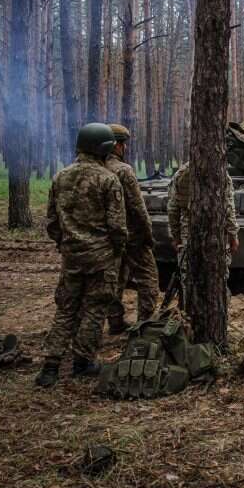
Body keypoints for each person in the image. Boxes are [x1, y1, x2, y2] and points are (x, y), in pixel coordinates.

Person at [36, 123, 127, 388]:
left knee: (66, 310)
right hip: (101, 259)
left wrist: (67, 244)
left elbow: (52, 222)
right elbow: (118, 227)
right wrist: (116, 252)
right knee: (95, 309)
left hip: (72, 258)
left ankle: (50, 367)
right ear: (104, 149)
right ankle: (82, 362)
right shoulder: (108, 179)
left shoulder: (60, 177)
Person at [105, 124, 160, 333]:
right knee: (148, 278)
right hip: (132, 236)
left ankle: (115, 322)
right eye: (123, 144)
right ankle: (144, 324)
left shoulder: (96, 167)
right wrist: (148, 235)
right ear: (117, 146)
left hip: (107, 238)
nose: (124, 148)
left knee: (116, 280)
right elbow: (138, 207)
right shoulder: (123, 170)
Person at [166, 161, 239, 297]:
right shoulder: (221, 173)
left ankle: (190, 314)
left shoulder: (181, 174)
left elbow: (173, 209)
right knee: (218, 280)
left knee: (189, 281)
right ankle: (217, 315)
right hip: (216, 236)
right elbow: (228, 208)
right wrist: (233, 235)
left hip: (189, 236)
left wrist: (175, 237)